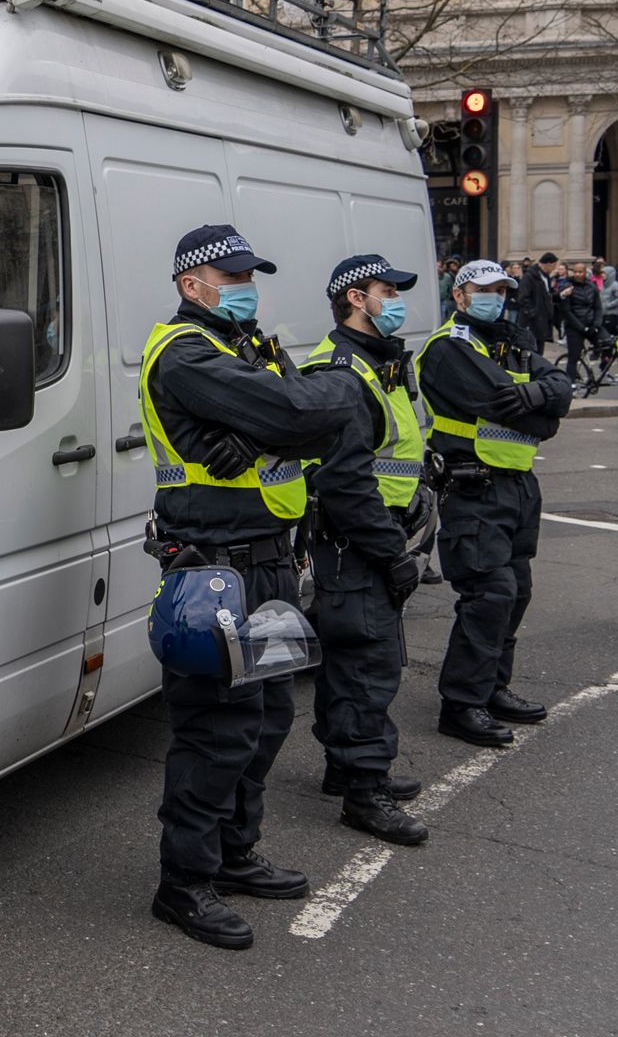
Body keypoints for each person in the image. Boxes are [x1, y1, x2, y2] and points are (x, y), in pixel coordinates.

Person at [138, 224, 358, 949]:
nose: (245, 287)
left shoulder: (250, 348)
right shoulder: (185, 355)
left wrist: (265, 427)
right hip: (214, 569)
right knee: (214, 731)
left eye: (249, 276)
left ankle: (235, 854)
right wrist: (279, 419)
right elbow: (301, 412)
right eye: (232, 278)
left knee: (266, 722)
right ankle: (184, 883)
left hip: (267, 560)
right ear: (190, 285)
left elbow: (324, 412)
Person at [299, 255, 433, 845]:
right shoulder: (343, 373)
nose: (398, 299)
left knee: (351, 658)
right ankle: (364, 791)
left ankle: (345, 768)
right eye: (389, 290)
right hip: (359, 539)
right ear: (356, 298)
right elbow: (345, 481)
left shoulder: (378, 364)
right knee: (367, 666)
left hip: (372, 534)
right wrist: (392, 552)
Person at [419, 260, 572, 749]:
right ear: (460, 296)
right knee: (490, 594)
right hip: (474, 487)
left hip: (517, 485)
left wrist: (541, 399)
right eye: (483, 290)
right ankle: (461, 704)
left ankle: (491, 687)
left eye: (501, 290)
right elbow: (505, 401)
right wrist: (540, 405)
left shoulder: (510, 340)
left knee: (517, 590)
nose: (495, 297)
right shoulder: (448, 348)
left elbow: (561, 388)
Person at [557, 260, 600, 387]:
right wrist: (582, 328)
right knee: (573, 356)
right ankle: (570, 384)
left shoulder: (592, 286)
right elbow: (566, 311)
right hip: (575, 326)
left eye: (580, 272)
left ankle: (603, 367)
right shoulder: (567, 286)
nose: (577, 274)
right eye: (575, 272)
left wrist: (596, 324)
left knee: (607, 342)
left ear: (585, 273)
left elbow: (598, 307)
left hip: (591, 323)